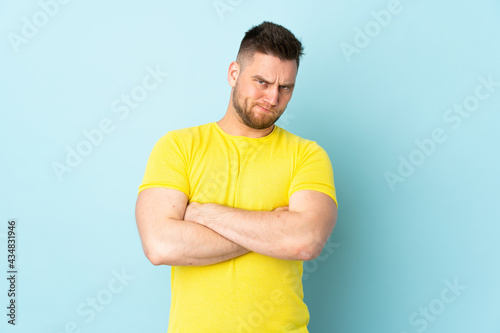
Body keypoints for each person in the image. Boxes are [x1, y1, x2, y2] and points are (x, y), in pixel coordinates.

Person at [135, 21, 338, 332]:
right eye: (262, 82)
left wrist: (205, 214)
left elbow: (304, 242)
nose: (272, 98)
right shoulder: (178, 146)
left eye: (285, 87)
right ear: (234, 74)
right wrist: (272, 229)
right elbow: (161, 245)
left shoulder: (307, 155)